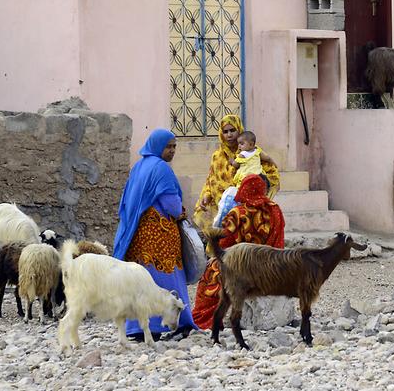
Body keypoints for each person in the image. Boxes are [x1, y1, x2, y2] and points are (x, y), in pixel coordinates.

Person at [112, 128, 197, 342]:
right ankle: (171, 322)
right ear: (158, 147)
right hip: (160, 235)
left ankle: (138, 327)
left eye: (174, 146)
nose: (172, 151)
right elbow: (172, 206)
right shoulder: (161, 169)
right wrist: (182, 214)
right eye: (168, 147)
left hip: (137, 234)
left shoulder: (139, 167)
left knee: (140, 278)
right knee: (166, 276)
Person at [191, 173, 285, 330]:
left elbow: (224, 244)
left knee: (211, 272)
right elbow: (279, 241)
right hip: (270, 266)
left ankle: (204, 318)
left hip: (241, 267)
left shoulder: (238, 213)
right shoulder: (275, 210)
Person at [193, 114, 280, 230]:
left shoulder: (253, 152)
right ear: (221, 134)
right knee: (222, 241)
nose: (229, 135)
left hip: (247, 209)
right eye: (225, 131)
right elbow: (211, 180)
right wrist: (207, 195)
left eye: (232, 130)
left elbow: (271, 175)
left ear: (239, 130)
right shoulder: (217, 156)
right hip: (223, 208)